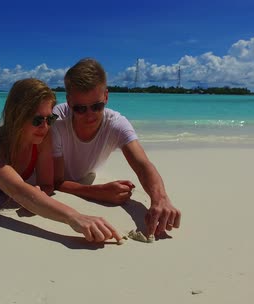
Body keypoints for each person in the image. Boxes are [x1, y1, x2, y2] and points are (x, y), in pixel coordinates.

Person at [0, 78, 122, 243]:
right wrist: (74, 217)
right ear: (17, 117)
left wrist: (39, 193)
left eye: (50, 118)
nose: (44, 126)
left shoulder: (43, 137)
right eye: (37, 120)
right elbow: (19, 190)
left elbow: (46, 184)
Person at [52, 58, 181, 237]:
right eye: (80, 109)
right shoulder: (56, 121)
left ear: (106, 96)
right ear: (68, 101)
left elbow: (142, 164)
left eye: (97, 106)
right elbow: (53, 182)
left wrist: (160, 199)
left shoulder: (116, 124)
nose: (89, 116)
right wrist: (97, 192)